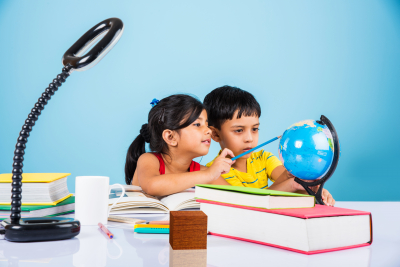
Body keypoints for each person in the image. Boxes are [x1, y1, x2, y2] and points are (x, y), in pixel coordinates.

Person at [203, 86, 335, 206]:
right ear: (215, 134)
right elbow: (249, 204)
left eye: (254, 129)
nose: (249, 139)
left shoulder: (263, 158)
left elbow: (288, 177)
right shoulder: (213, 172)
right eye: (239, 130)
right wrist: (292, 185)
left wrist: (314, 190)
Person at [125, 94, 233, 197]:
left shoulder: (203, 172)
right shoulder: (149, 160)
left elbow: (237, 198)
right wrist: (209, 175)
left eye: (207, 124)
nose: (209, 130)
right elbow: (151, 186)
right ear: (170, 137)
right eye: (197, 124)